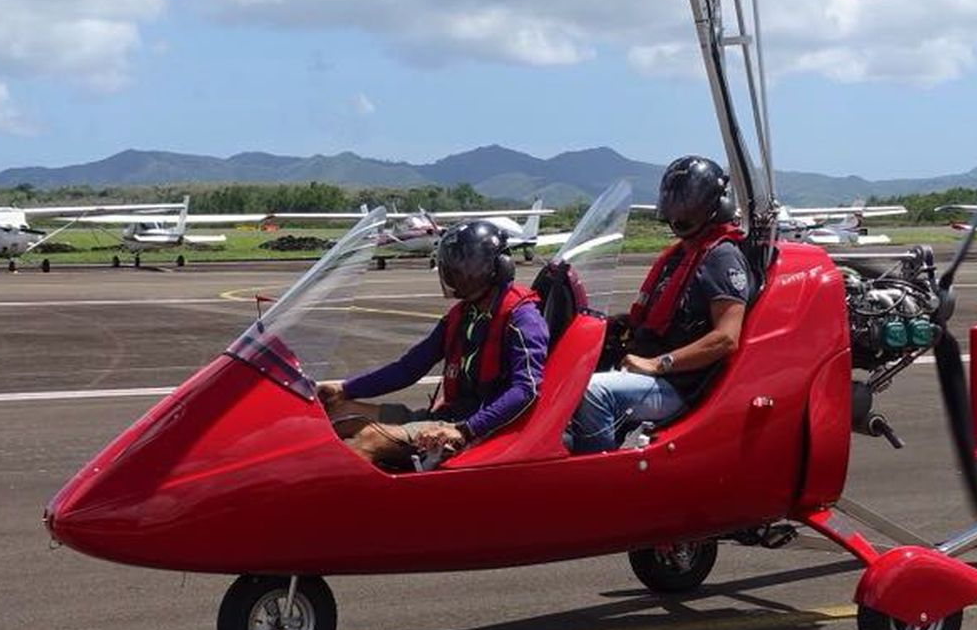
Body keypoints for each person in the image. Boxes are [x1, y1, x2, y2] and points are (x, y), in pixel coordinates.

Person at [318, 219, 549, 467]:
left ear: (498, 267)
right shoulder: (462, 316)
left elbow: (526, 389)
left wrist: (466, 429)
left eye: (466, 263)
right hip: (445, 417)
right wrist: (345, 389)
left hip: (474, 428)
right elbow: (407, 368)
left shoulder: (522, 319)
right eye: (454, 265)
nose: (457, 273)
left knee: (370, 439)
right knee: (335, 412)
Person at [567, 156, 758, 453]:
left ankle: (599, 483)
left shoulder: (722, 258)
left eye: (687, 204)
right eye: (675, 202)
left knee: (594, 392)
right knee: (569, 377)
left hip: (681, 386)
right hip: (654, 372)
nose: (678, 214)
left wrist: (658, 364)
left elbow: (725, 338)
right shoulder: (681, 256)